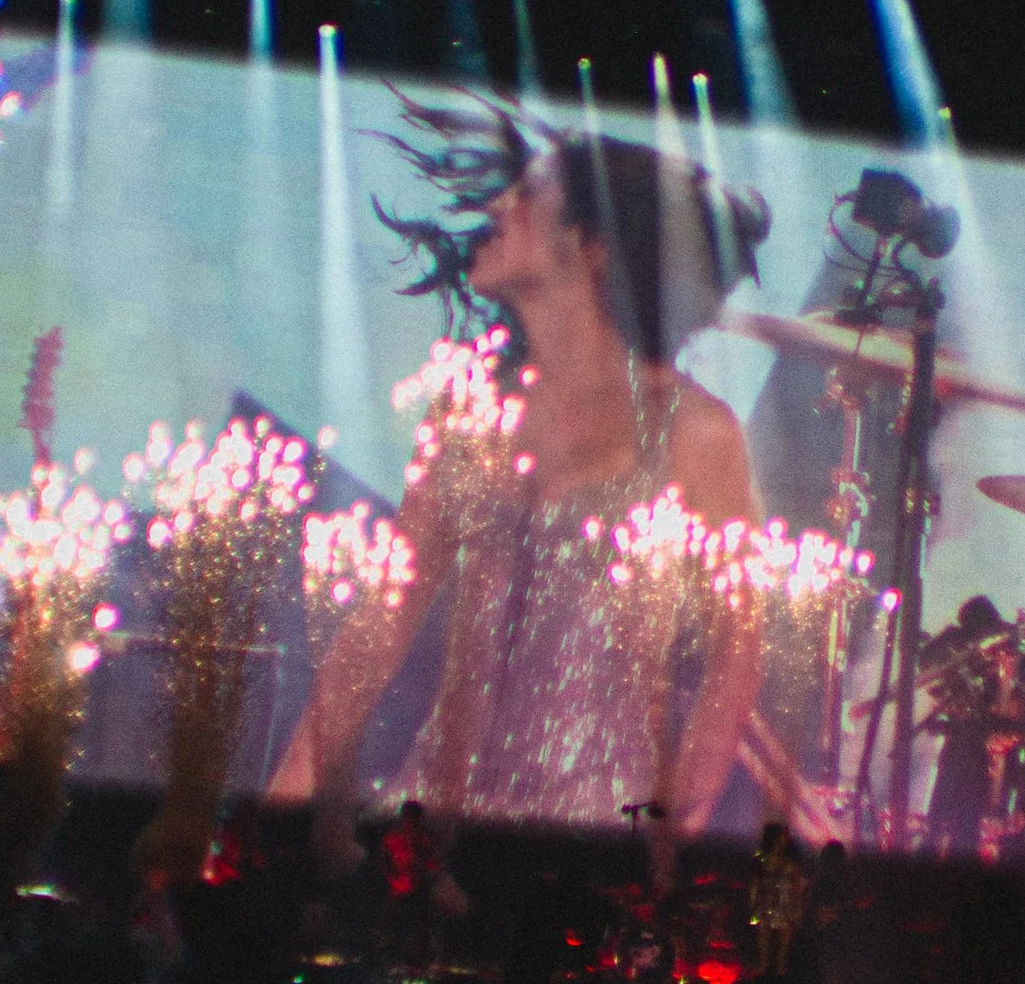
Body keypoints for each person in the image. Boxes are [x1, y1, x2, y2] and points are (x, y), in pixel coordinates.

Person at [276, 101, 771, 884]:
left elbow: (738, 646)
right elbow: (390, 609)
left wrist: (681, 817)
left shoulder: (697, 432)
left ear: (594, 246)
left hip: (598, 825)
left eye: (529, 195)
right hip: (439, 814)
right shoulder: (469, 405)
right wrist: (289, 786)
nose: (498, 205)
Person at [747, 818, 810, 979]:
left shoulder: (792, 863)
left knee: (783, 953)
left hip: (786, 908)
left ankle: (780, 980)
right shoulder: (760, 860)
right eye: (783, 835)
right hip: (764, 908)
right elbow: (754, 885)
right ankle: (763, 979)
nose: (787, 838)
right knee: (763, 950)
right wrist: (752, 908)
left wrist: (798, 910)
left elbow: (798, 887)